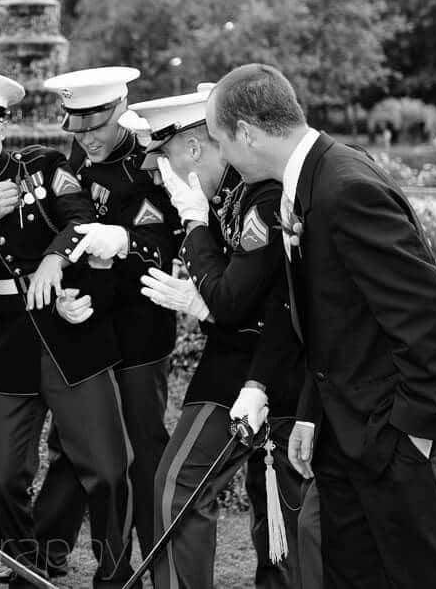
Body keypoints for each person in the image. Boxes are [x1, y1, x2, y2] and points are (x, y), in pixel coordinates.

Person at [205, 62, 436, 587]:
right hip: (344, 429)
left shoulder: (345, 186)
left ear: (247, 134)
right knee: (353, 574)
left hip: (390, 433)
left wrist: (413, 433)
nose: (222, 156)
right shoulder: (310, 178)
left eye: (219, 141)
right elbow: (330, 322)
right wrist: (309, 416)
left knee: (421, 575)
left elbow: (426, 313)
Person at [0, 71, 134, 588]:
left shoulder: (40, 165)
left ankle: (115, 574)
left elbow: (80, 218)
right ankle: (29, 567)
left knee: (106, 469)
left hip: (70, 330)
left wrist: (53, 259)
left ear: (4, 129)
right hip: (10, 340)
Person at [121, 85, 317, 589]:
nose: (161, 176)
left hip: (276, 367)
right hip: (233, 360)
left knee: (275, 509)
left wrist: (193, 227)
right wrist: (203, 301)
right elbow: (229, 299)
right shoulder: (230, 195)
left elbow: (234, 299)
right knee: (180, 489)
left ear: (192, 149)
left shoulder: (261, 195)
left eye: (164, 157)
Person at [32, 67, 180, 572]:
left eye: (96, 127)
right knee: (75, 447)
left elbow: (163, 245)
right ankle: (48, 556)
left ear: (119, 111)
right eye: (78, 129)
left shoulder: (149, 161)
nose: (87, 139)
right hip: (91, 326)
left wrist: (122, 242)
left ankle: (157, 564)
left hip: (140, 332)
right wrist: (67, 289)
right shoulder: (81, 155)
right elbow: (75, 225)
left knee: (143, 454)